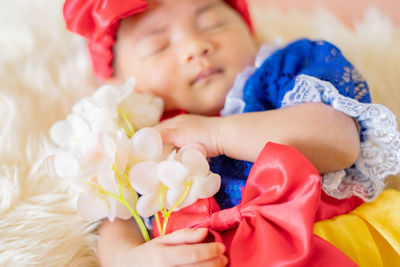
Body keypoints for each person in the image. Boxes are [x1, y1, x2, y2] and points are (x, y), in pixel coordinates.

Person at [63, 0, 400, 266]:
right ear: (119, 83)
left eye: (214, 23)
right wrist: (129, 259)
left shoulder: (280, 75)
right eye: (159, 45)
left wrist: (217, 133)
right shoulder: (143, 142)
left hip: (332, 242)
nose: (196, 45)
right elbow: (117, 222)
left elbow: (340, 141)